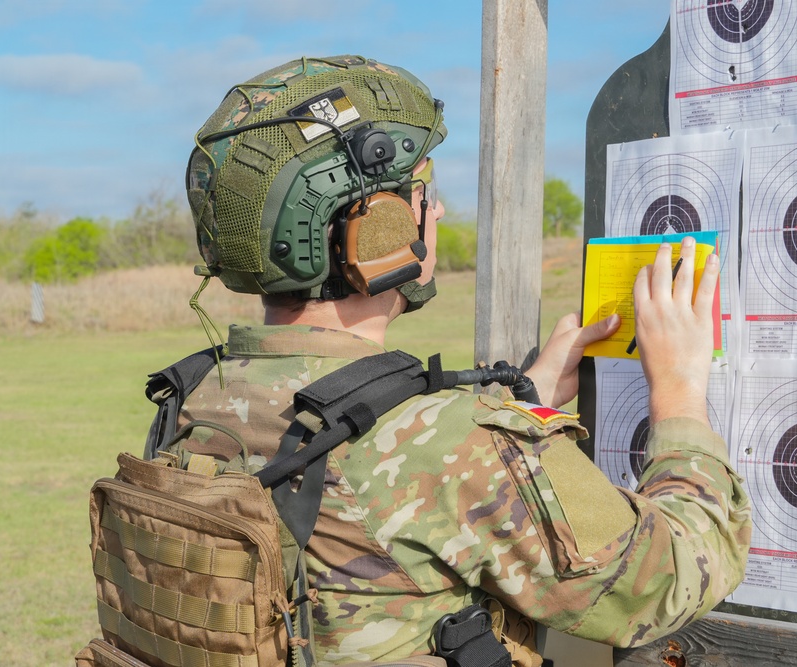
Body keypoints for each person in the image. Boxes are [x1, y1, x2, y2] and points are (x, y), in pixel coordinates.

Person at [173, 55, 750, 665]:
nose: (439, 212)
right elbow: (669, 576)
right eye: (424, 193)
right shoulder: (453, 442)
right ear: (375, 225)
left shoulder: (196, 398)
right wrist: (680, 392)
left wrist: (520, 408)